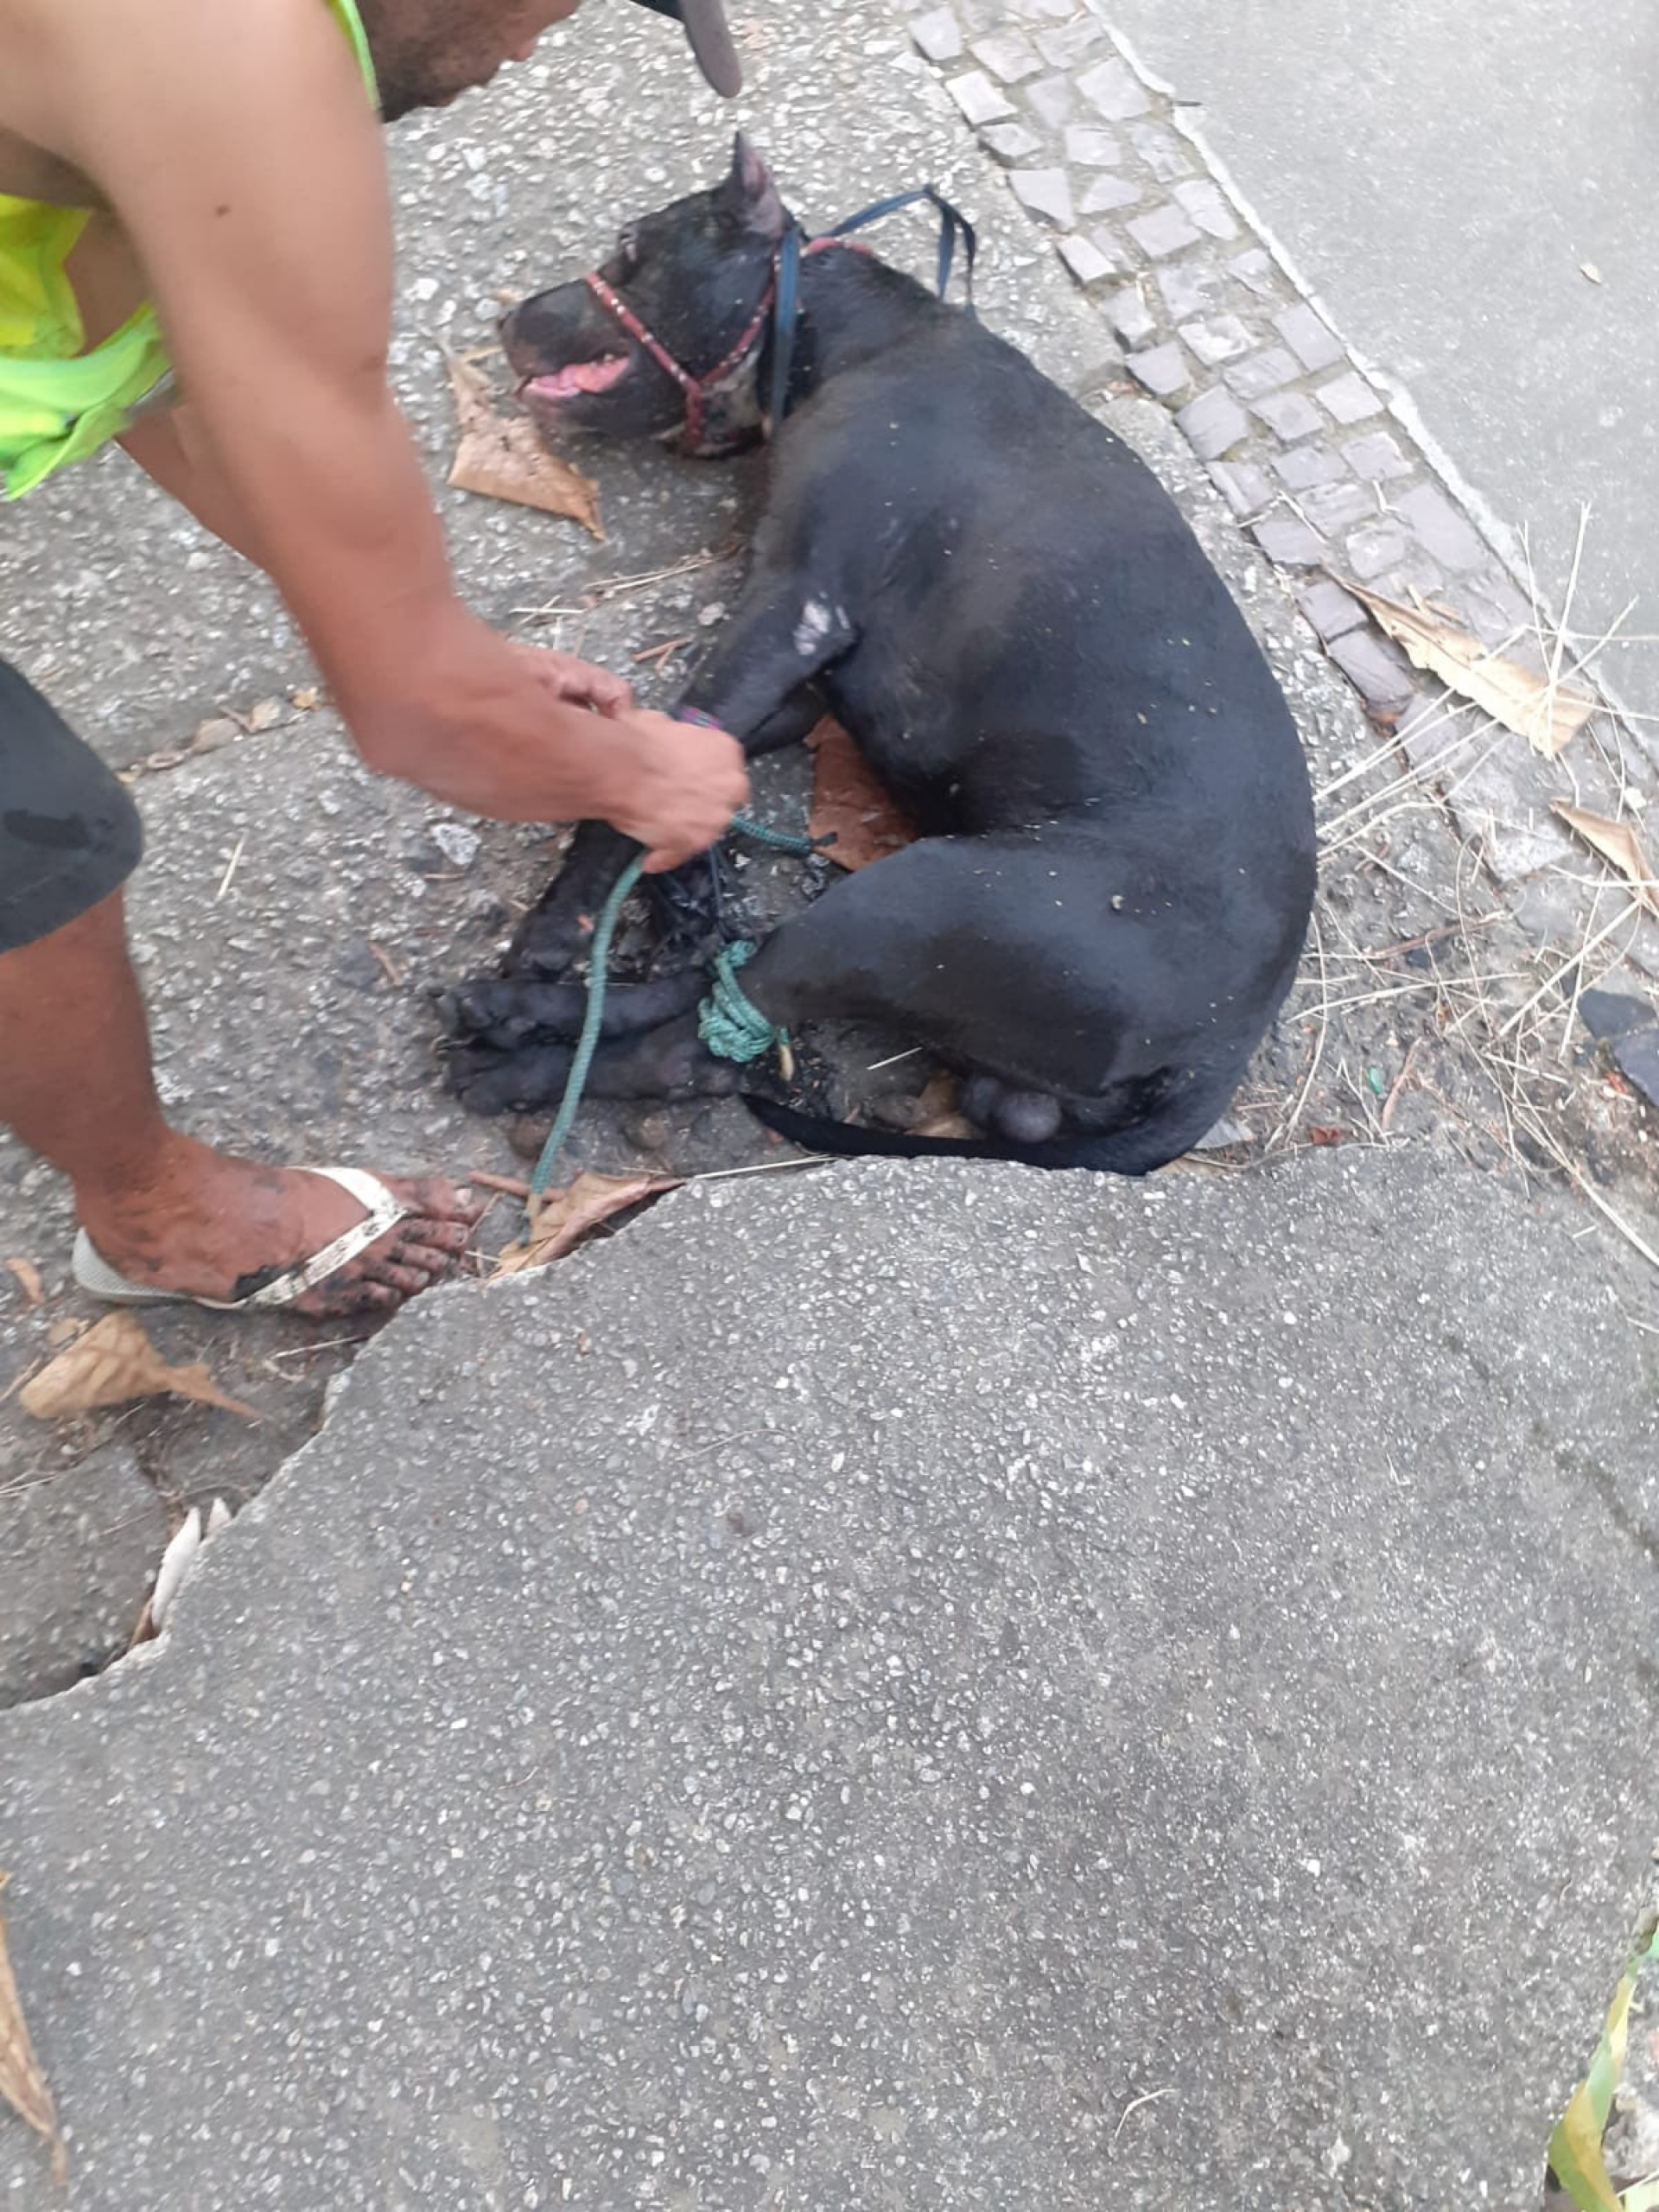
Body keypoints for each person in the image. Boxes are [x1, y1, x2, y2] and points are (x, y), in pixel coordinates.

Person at [0, 0, 750, 1319]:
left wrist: (436, 636)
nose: (528, 53)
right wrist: (644, 775)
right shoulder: (234, 48)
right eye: (553, 3)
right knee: (35, 842)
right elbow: (414, 721)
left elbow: (175, 385)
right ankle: (150, 1220)